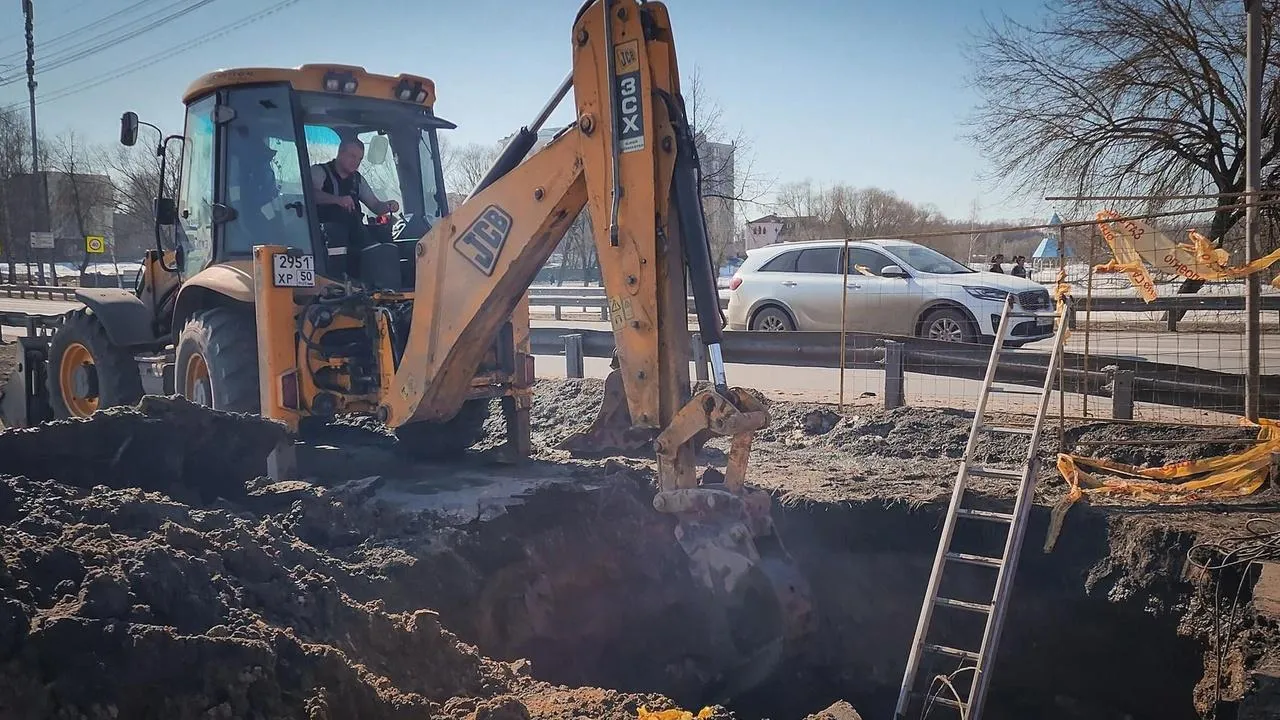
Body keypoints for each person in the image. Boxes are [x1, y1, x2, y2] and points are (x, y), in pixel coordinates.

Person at [310, 137, 400, 277]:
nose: (356, 162)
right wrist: (337, 200)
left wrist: (389, 205)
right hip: (325, 234)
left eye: (359, 159)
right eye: (352, 156)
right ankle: (336, 278)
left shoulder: (357, 180)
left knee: (383, 239)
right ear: (340, 153)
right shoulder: (319, 172)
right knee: (337, 232)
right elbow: (310, 195)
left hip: (355, 230)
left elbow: (375, 205)